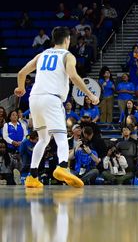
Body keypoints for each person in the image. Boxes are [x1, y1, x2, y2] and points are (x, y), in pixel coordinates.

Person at [15, 26, 99, 188]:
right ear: (67, 40)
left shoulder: (42, 55)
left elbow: (21, 73)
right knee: (61, 136)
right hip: (52, 99)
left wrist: (21, 88)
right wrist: (91, 95)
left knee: (44, 139)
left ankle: (32, 176)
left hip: (35, 99)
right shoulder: (68, 56)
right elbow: (74, 76)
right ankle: (62, 167)